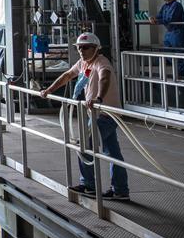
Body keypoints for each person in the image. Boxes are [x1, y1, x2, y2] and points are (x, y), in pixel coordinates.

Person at [41, 33, 130, 200]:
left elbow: (104, 78)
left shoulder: (101, 62)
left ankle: (89, 185)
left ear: (96, 48)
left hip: (106, 115)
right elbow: (67, 75)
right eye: (79, 48)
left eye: (86, 47)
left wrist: (99, 98)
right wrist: (49, 90)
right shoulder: (83, 63)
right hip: (96, 114)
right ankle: (120, 190)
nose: (81, 50)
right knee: (113, 153)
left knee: (85, 145)